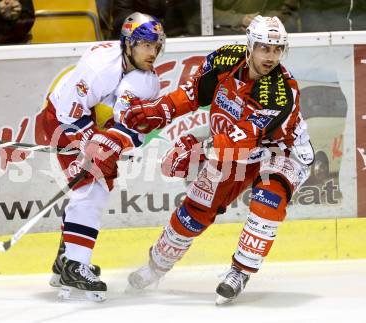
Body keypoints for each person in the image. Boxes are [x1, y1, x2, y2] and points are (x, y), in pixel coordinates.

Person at [122, 15, 314, 304]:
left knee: (267, 201)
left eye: (277, 50)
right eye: (264, 48)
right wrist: (162, 109)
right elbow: (193, 92)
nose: (271, 57)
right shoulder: (225, 59)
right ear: (250, 46)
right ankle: (153, 269)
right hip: (232, 145)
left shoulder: (280, 92)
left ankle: (240, 271)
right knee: (195, 209)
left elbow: (241, 140)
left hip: (281, 151)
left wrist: (197, 146)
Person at [40, 12, 165, 302]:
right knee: (90, 185)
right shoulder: (98, 67)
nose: (153, 52)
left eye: (156, 46)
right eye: (146, 45)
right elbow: (68, 114)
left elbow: (137, 128)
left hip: (97, 124)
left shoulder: (148, 81)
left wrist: (115, 143)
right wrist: (91, 145)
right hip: (63, 118)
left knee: (96, 183)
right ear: (128, 43)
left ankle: (66, 261)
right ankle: (75, 265)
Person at [213, 0, 299, 34]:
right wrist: (240, 19)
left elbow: (289, 12)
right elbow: (201, 13)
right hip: (217, 37)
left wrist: (262, 21)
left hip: (266, 37)